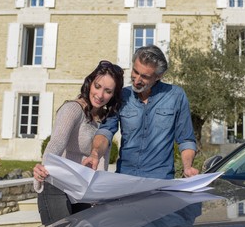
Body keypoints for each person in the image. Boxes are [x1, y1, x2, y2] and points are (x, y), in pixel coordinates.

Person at [83, 45, 199, 179]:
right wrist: (95, 154)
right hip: (125, 179)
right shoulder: (122, 95)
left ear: (158, 76)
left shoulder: (176, 96)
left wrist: (187, 167)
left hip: (160, 181)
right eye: (135, 72)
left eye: (144, 76)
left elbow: (186, 140)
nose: (137, 80)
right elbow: (106, 131)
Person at [33, 60, 124, 226]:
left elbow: (102, 160)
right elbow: (56, 143)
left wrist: (99, 193)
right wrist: (41, 171)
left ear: (113, 94)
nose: (100, 94)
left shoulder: (106, 120)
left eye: (108, 91)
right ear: (90, 83)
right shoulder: (72, 109)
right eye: (97, 86)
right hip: (57, 184)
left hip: (82, 188)